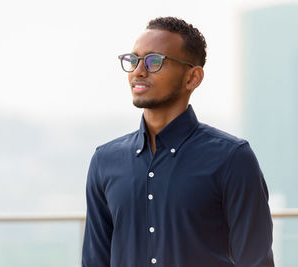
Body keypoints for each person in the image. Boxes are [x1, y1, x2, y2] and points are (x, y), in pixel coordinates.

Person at [81, 17, 274, 267]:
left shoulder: (232, 158)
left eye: (154, 61)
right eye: (134, 60)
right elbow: (95, 261)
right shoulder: (104, 161)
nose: (139, 71)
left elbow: (255, 261)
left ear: (192, 78)